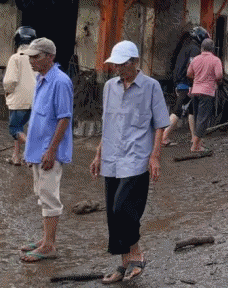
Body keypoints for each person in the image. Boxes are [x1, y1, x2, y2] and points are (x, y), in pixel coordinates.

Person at [89, 41, 167, 284]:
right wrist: (98, 155)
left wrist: (154, 157)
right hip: (112, 155)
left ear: (135, 63)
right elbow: (107, 123)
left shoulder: (151, 86)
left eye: (122, 64)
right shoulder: (110, 87)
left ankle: (137, 252)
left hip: (136, 157)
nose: (117, 69)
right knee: (113, 214)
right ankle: (124, 264)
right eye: (115, 64)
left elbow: (160, 124)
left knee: (124, 207)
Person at [19, 37, 74, 263]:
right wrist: (29, 152)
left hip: (49, 150)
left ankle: (49, 245)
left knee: (50, 196)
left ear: (50, 57)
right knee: (41, 194)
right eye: (30, 56)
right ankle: (45, 240)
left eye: (36, 56)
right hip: (38, 149)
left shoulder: (60, 81)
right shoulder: (42, 79)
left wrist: (51, 150)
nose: (32, 60)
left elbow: (64, 119)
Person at [163, 27, 206, 147]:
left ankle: (194, 138)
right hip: (186, 84)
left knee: (191, 110)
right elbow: (192, 68)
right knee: (178, 111)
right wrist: (193, 83)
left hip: (180, 82)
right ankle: (163, 136)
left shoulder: (186, 47)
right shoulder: (195, 49)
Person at [2, 26, 37, 166]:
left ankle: (33, 151)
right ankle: (17, 156)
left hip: (19, 99)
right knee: (27, 128)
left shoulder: (16, 58)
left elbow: (10, 81)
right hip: (35, 99)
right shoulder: (36, 57)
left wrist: (8, 91)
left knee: (15, 129)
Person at [186, 38, 223, 153]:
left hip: (195, 91)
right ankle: (195, 146)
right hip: (207, 92)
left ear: (202, 48)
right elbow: (219, 75)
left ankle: (198, 143)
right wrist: (211, 79)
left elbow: (189, 74)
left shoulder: (195, 59)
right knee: (203, 120)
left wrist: (198, 78)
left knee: (198, 118)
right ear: (212, 49)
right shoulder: (216, 60)